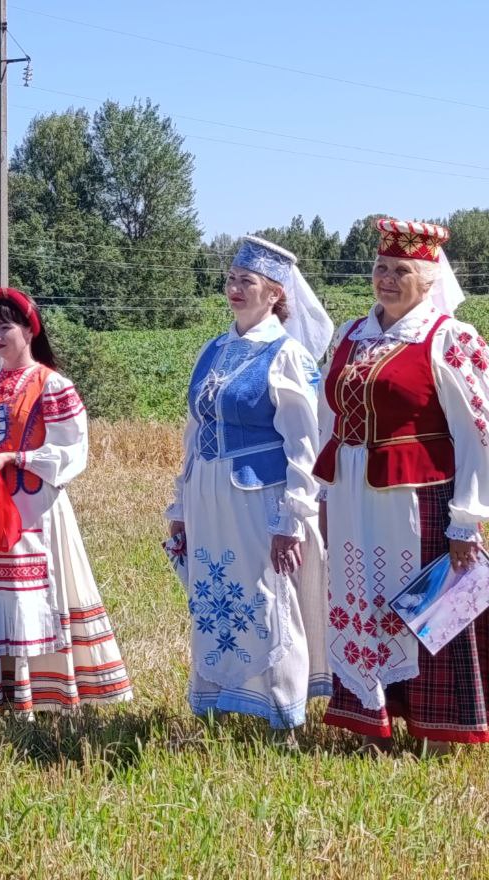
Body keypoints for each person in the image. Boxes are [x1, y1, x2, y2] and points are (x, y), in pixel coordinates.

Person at [314, 219, 489, 752]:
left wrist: (466, 517)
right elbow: (330, 418)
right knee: (359, 602)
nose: (387, 279)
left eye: (402, 271)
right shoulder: (349, 334)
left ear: (430, 278)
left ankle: (438, 729)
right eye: (381, 268)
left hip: (418, 500)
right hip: (351, 498)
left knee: (426, 609)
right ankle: (372, 719)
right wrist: (324, 494)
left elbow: (477, 433)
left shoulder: (449, 338)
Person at [166, 236, 334, 731]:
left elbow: (306, 443)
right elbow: (194, 431)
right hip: (207, 494)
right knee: (214, 593)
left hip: (259, 496)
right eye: (232, 279)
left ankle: (282, 711)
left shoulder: (287, 355)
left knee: (267, 598)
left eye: (249, 281)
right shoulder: (213, 349)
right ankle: (220, 699)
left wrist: (295, 518)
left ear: (276, 294)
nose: (236, 289)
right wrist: (179, 505)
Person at [0, 287, 132, 718]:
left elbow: (73, 450)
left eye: (7, 327)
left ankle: (39, 696)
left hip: (36, 508)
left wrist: (18, 457)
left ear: (29, 330)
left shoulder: (52, 385)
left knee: (31, 595)